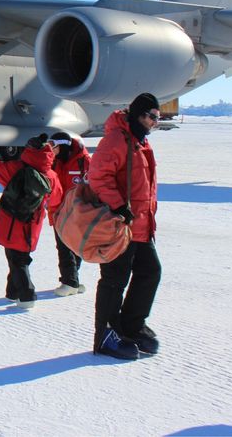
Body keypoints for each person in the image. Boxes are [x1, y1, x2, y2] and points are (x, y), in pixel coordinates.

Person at [89, 92, 162, 360]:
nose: (156, 122)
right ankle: (106, 334)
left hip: (141, 226)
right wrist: (119, 206)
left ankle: (130, 326)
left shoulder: (140, 142)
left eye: (158, 117)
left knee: (150, 272)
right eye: (153, 116)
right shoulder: (116, 140)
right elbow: (98, 176)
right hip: (119, 225)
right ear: (139, 114)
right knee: (114, 280)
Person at [0, 134, 63, 309]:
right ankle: (12, 293)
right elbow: (56, 199)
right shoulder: (51, 175)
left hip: (11, 220)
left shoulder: (16, 168)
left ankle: (27, 296)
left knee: (17, 260)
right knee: (19, 257)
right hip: (32, 223)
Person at [48, 131, 92, 296]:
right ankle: (72, 280)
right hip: (59, 210)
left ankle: (70, 282)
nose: (51, 149)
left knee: (74, 247)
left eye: (54, 146)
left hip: (78, 212)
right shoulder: (53, 161)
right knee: (63, 246)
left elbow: (95, 183)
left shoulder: (84, 161)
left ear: (63, 146)